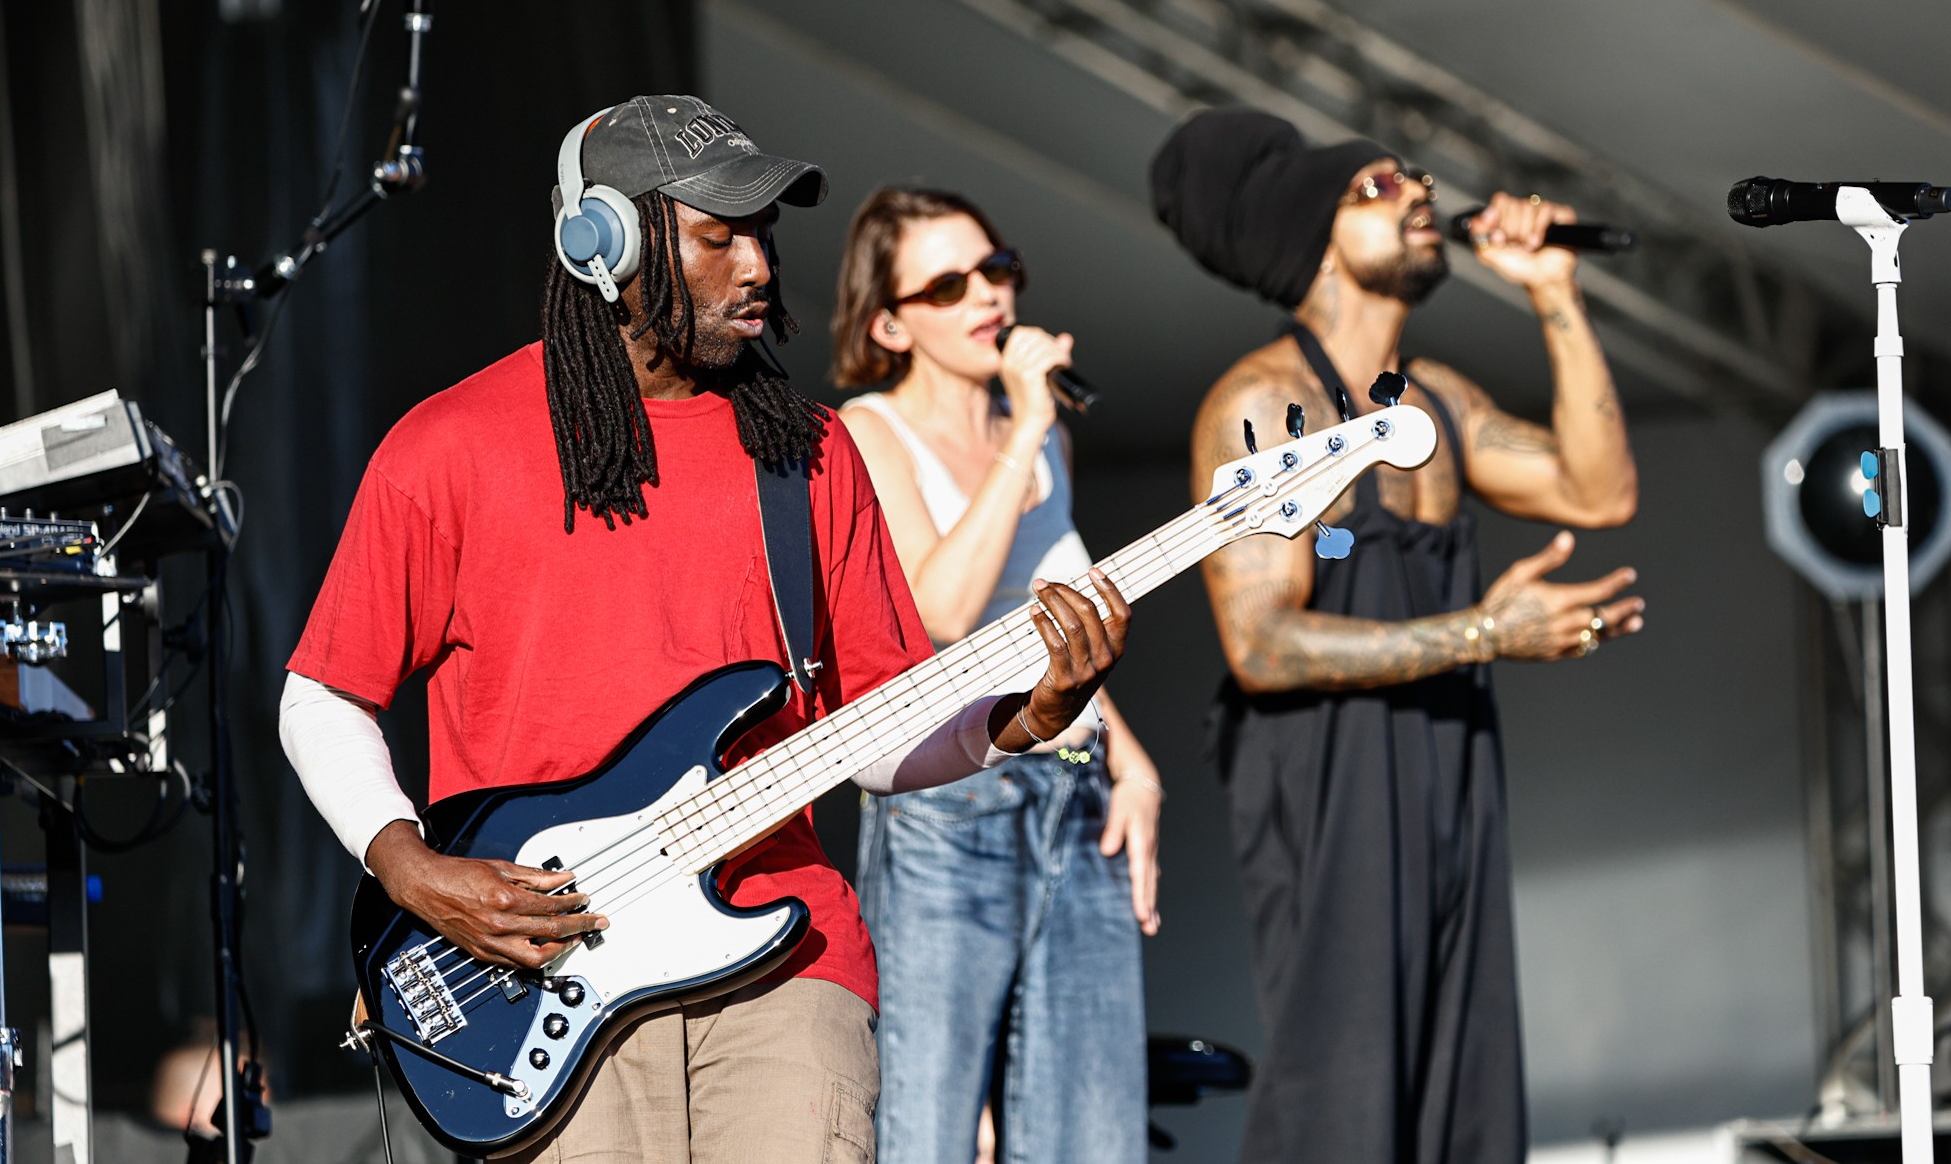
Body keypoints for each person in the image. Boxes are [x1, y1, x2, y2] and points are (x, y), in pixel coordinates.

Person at [277, 96, 1131, 1164]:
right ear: (605, 243)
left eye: (763, 232)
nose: (759, 266)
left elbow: (875, 734)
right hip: (547, 974)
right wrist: (406, 865)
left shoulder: (809, 452)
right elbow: (322, 693)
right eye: (717, 234)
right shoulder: (448, 446)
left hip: (785, 957)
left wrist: (1017, 715)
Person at [1150, 108, 1643, 1164]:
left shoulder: (1442, 402)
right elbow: (1261, 643)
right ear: (1310, 236)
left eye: (1418, 180)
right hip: (1332, 791)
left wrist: (1553, 292)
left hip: (1448, 774)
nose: (1420, 196)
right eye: (1379, 187)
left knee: (1461, 1102)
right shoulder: (1260, 402)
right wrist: (1484, 631)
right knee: (1344, 1106)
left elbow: (1596, 493)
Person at [830, 187, 1161, 1164]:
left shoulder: (1044, 439)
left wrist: (1130, 759)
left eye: (996, 268)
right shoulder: (867, 432)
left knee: (1091, 1136)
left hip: (1075, 781)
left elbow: (1054, 609)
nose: (985, 295)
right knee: (927, 1127)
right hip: (953, 798)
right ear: (890, 321)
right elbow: (942, 607)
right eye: (947, 282)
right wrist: (1019, 433)